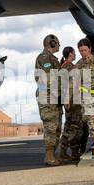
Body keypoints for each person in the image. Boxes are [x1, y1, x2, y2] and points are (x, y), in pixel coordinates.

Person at [35, 34, 63, 166]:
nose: (59, 45)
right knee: (51, 127)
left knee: (57, 127)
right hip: (47, 97)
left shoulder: (52, 58)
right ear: (52, 43)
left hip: (54, 97)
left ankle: (52, 155)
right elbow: (47, 79)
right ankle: (49, 156)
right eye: (57, 43)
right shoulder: (44, 57)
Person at [58, 46, 84, 161]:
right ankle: (63, 151)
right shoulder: (68, 67)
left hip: (72, 100)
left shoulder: (65, 66)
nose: (75, 55)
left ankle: (74, 152)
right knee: (73, 127)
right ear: (70, 54)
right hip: (72, 101)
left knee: (74, 126)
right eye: (74, 53)